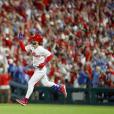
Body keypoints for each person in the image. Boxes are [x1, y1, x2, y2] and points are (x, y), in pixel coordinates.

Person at [16, 34, 67, 106]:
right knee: (46, 83)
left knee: (30, 83)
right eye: (33, 39)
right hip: (38, 69)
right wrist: (20, 41)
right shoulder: (31, 46)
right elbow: (23, 49)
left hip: (41, 69)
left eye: (34, 40)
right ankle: (60, 88)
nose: (32, 40)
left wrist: (44, 63)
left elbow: (50, 55)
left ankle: (25, 100)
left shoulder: (41, 49)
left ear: (38, 41)